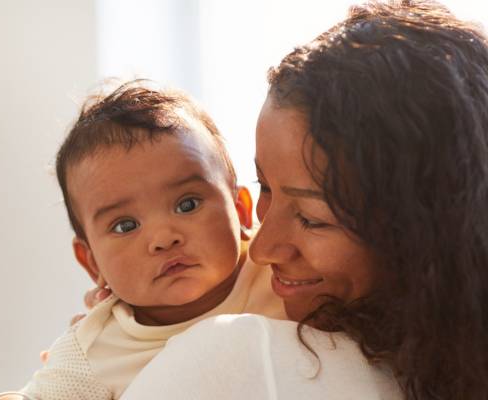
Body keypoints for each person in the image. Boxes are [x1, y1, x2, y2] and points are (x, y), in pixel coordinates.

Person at [111, 1, 488, 399]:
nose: (260, 247)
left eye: (312, 218)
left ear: (427, 230)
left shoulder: (239, 356)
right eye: (264, 187)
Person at [0, 81, 285, 400]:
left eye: (187, 204)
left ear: (240, 212)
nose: (162, 238)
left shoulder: (280, 271)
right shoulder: (95, 346)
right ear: (92, 263)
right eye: (126, 225)